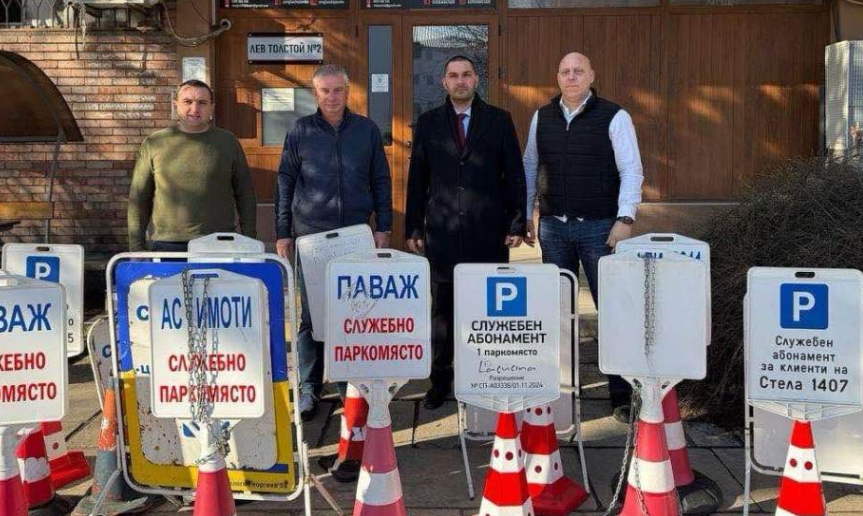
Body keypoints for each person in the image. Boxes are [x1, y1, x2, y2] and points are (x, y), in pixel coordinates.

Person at [522, 52, 644, 421]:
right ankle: (560, 390)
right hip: (554, 228)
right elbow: (530, 165)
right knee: (557, 311)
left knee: (612, 310)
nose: (571, 77)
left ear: (592, 75)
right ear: (557, 77)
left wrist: (626, 217)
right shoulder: (542, 117)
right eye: (565, 71)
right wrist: (526, 213)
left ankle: (621, 394)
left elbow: (631, 169)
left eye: (578, 71)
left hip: (599, 228)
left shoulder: (615, 116)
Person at [405, 55, 527, 410]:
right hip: (442, 233)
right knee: (442, 314)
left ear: (476, 80)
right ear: (444, 82)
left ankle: (486, 376)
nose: (460, 81)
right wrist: (413, 226)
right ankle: (440, 381)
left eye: (466, 75)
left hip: (488, 233)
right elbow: (418, 179)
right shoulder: (428, 123)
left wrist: (516, 222)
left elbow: (514, 175)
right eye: (453, 75)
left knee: (486, 312)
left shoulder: (499, 121)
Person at [275, 64, 393, 419]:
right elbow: (285, 180)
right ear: (316, 94)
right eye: (325, 91)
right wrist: (282, 230)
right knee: (312, 316)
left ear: (347, 91)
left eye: (337, 90)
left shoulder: (366, 130)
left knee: (354, 313)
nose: (331, 97)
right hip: (311, 235)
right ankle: (309, 388)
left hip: (355, 235)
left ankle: (350, 388)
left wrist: (383, 226)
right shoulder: (300, 131)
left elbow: (381, 179)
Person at [128, 79, 257, 252]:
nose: (195, 109)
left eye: (202, 103)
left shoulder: (228, 141)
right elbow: (139, 198)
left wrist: (249, 241)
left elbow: (245, 195)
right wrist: (137, 249)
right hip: (168, 244)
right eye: (187, 102)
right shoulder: (155, 143)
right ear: (176, 105)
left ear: (212, 107)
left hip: (219, 243)